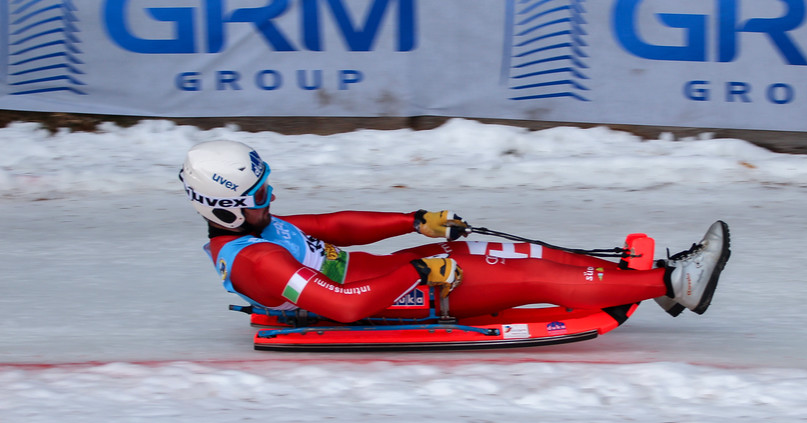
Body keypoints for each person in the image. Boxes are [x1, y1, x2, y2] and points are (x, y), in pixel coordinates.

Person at [179, 139, 730, 324]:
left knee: (504, 251)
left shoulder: (261, 230)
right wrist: (417, 269)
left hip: (399, 274)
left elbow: (331, 226)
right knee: (530, 275)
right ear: (224, 209)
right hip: (401, 294)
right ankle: (674, 283)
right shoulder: (254, 262)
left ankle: (644, 284)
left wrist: (412, 222)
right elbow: (344, 307)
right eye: (257, 196)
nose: (271, 200)